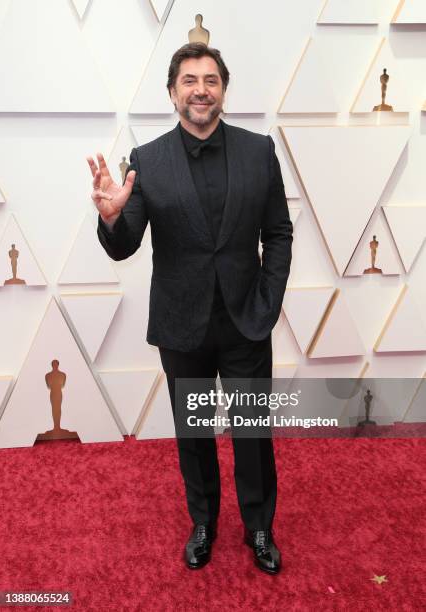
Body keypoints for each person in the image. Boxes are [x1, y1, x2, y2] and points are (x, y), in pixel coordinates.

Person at [88, 42, 293, 575]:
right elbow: (127, 241)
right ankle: (203, 523)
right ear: (173, 92)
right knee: (193, 432)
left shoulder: (259, 152)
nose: (201, 89)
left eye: (210, 80)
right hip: (183, 326)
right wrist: (112, 217)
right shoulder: (148, 161)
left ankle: (259, 527)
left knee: (251, 431)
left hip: (246, 320)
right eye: (189, 80)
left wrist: (268, 301)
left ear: (223, 89)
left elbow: (279, 232)